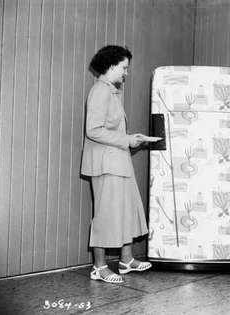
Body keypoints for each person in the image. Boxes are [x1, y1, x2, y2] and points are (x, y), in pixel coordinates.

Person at [81, 45, 151, 283]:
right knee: (106, 213)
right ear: (111, 66)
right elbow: (93, 130)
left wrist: (133, 140)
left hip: (117, 160)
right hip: (105, 163)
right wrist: (127, 140)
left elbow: (112, 130)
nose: (126, 73)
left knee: (127, 208)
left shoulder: (111, 92)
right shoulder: (100, 91)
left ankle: (126, 260)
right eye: (124, 68)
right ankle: (99, 267)